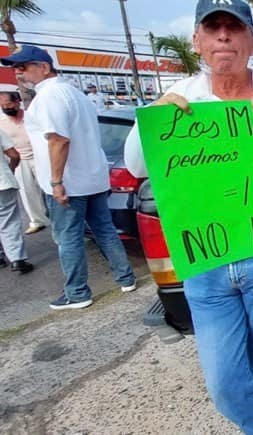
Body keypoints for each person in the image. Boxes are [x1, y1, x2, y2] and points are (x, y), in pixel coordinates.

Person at [123, 1, 253, 433]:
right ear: (198, 41)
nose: (224, 35)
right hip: (205, 260)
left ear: (252, 40)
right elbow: (135, 166)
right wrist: (154, 121)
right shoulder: (182, 97)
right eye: (213, 27)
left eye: (234, 26)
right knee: (224, 379)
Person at [0, 45, 137, 310]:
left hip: (69, 182)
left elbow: (58, 139)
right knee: (105, 231)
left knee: (68, 238)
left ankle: (77, 292)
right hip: (93, 177)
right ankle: (126, 277)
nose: (18, 72)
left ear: (44, 67)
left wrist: (56, 181)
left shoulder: (50, 96)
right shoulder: (75, 93)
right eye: (16, 67)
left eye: (23, 66)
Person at [0, 91, 50, 234]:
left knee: (48, 187)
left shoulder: (31, 117)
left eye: (8, 104)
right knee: (27, 192)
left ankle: (56, 215)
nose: (5, 108)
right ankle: (38, 221)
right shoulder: (1, 122)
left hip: (39, 157)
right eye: (2, 105)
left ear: (17, 102)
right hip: (19, 160)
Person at [0, 128, 33, 273]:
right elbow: (14, 154)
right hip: (3, 182)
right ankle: (17, 259)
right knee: (8, 221)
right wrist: (10, 170)